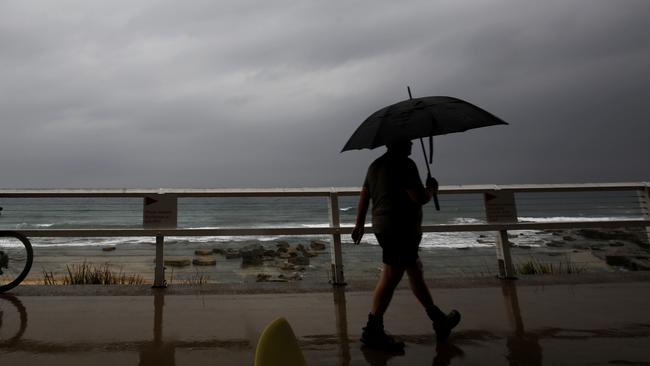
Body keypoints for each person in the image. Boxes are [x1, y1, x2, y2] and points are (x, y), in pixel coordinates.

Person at [352, 140, 461, 350]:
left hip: (383, 227)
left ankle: (439, 320)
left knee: (414, 269)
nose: (411, 143)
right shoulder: (405, 164)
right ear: (399, 143)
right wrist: (431, 189)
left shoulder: (374, 165)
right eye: (407, 140)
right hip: (401, 229)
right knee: (391, 276)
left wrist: (359, 225)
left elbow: (365, 195)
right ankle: (372, 331)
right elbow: (417, 197)